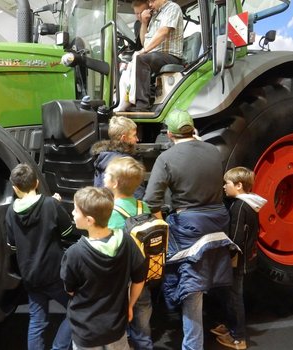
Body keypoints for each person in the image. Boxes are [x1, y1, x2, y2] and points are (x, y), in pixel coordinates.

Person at [143, 109, 234, 350]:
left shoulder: (167, 158)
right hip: (218, 222)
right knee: (216, 275)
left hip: (189, 227)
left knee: (191, 286)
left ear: (169, 134)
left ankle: (193, 345)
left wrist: (162, 225)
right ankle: (230, 327)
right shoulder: (213, 151)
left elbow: (151, 200)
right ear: (192, 129)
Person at [61, 186, 146, 349]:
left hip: (86, 331)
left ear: (89, 220)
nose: (72, 213)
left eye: (76, 210)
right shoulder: (127, 242)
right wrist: (130, 306)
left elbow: (70, 290)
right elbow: (139, 278)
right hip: (116, 327)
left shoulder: (74, 253)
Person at [5, 163, 74, 350]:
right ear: (36, 183)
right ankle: (59, 347)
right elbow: (69, 233)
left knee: (37, 320)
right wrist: (57, 206)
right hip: (54, 275)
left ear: (14, 188)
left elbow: (11, 244)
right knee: (76, 310)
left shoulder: (11, 212)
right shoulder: (50, 204)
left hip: (30, 276)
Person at [211, 167, 267, 350]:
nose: (224, 187)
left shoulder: (239, 206)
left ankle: (238, 338)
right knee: (231, 295)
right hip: (247, 259)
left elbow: (235, 239)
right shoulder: (251, 204)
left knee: (235, 298)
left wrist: (224, 256)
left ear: (239, 185)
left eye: (227, 183)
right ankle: (229, 327)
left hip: (237, 261)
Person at [104, 157, 153, 350]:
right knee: (143, 317)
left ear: (114, 183)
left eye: (106, 175)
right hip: (143, 274)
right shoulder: (144, 206)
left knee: (120, 320)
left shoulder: (111, 212)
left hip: (121, 279)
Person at [130, 0, 184, 111]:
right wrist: (144, 23)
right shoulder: (155, 15)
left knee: (142, 59)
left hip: (171, 55)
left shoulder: (172, 8)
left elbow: (163, 32)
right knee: (133, 62)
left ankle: (142, 105)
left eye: (152, 1)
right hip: (156, 54)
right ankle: (131, 101)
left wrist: (144, 51)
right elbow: (145, 41)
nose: (150, 4)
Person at [90, 116, 144, 199]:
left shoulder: (103, 158)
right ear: (124, 138)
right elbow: (137, 196)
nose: (137, 139)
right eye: (134, 135)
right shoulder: (124, 164)